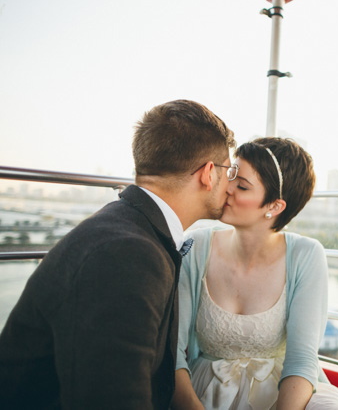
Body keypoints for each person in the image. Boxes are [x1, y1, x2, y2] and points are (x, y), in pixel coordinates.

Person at [0, 100, 236, 409]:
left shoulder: (131, 230)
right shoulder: (126, 255)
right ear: (207, 173)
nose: (231, 185)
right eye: (228, 171)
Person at [172, 137, 338, 410]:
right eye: (231, 174)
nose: (226, 188)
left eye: (242, 186)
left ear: (274, 207)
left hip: (284, 393)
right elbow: (173, 351)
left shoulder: (306, 255)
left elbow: (302, 360)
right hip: (205, 392)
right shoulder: (197, 246)